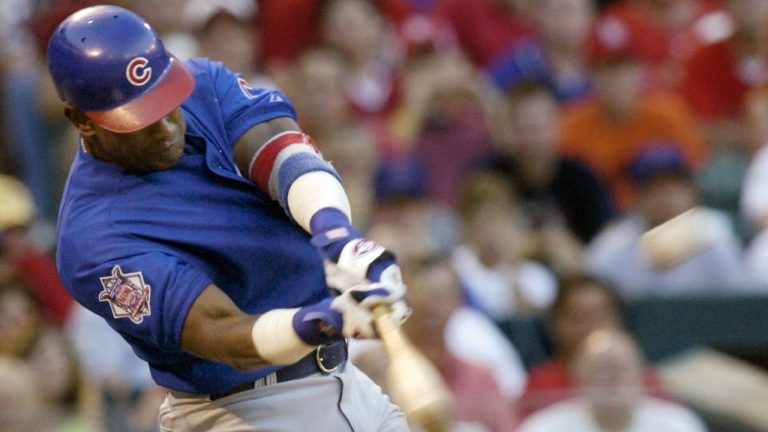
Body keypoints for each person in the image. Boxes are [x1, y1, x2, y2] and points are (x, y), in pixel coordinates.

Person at [47, 5, 410, 431]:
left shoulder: (200, 81)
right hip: (245, 410)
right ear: (80, 121)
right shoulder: (93, 236)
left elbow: (282, 153)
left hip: (341, 379)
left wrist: (339, 236)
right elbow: (222, 332)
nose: (166, 129)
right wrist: (325, 320)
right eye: (139, 121)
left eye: (167, 102)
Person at [516, 328, 707, 432]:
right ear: (578, 378)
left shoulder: (677, 425)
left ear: (640, 376)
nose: (612, 380)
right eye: (601, 371)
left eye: (621, 370)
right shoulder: (544, 427)